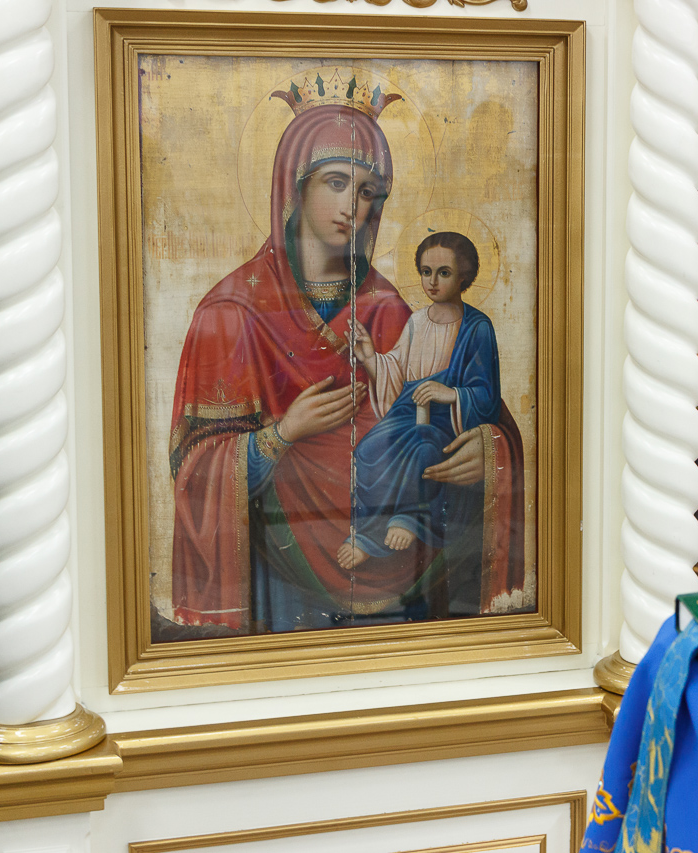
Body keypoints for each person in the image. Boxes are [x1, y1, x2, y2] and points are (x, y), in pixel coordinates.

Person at [166, 78, 525, 635]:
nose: (351, 208)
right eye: (336, 183)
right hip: (280, 569)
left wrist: (488, 452)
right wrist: (282, 434)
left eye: (368, 192)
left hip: (401, 567)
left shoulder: (393, 309)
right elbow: (193, 467)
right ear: (294, 186)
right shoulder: (231, 313)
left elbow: (468, 412)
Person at [338, 233, 501, 570]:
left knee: (423, 446)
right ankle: (367, 533)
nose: (432, 282)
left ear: (464, 276)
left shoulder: (478, 328)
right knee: (368, 450)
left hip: (447, 420)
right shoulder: (416, 322)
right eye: (426, 272)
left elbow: (487, 395)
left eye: (444, 273)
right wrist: (370, 358)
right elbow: (396, 372)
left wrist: (452, 394)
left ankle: (408, 519)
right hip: (406, 411)